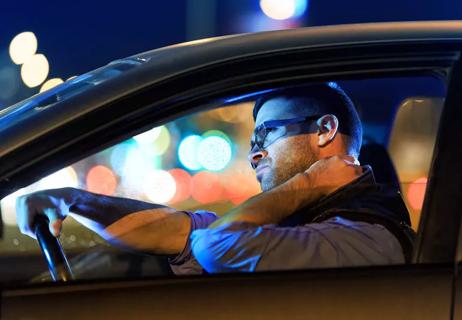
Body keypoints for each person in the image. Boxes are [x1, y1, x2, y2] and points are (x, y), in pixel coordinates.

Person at [16, 83, 414, 275]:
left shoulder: (363, 237)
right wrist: (72, 200)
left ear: (326, 129)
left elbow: (214, 244)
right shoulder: (307, 217)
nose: (253, 153)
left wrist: (307, 183)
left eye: (266, 135)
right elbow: (171, 229)